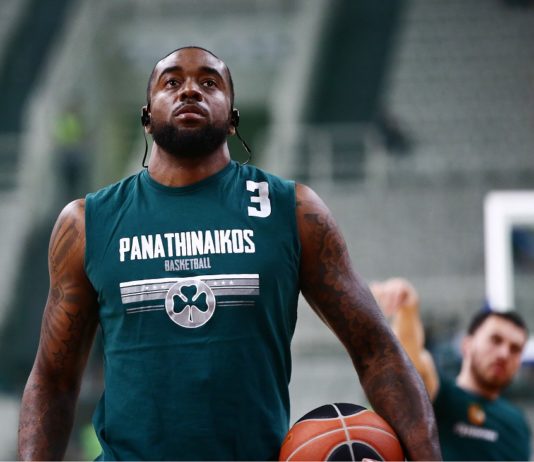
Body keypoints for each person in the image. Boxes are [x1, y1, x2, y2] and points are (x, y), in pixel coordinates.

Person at [18, 46, 441, 461]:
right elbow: (54, 380)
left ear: (233, 120)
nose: (190, 90)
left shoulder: (292, 210)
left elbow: (376, 351)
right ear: (146, 118)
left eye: (209, 83)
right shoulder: (89, 222)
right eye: (171, 83)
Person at [371, 277, 531, 461]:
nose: (504, 353)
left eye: (515, 349)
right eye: (495, 340)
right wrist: (408, 311)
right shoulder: (439, 394)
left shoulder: (518, 424)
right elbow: (409, 361)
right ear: (466, 345)